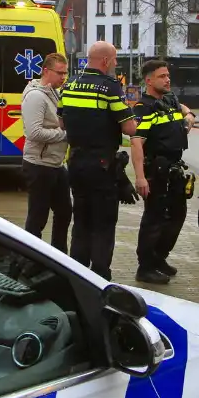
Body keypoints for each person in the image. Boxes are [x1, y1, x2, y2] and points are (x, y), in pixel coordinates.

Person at [61, 41, 138, 281]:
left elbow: (62, 122)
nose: (115, 64)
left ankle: (78, 273)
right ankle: (100, 276)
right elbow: (129, 128)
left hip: (75, 162)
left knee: (81, 219)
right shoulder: (110, 87)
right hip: (102, 165)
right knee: (103, 222)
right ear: (105, 61)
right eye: (114, 60)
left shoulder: (70, 84)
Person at [130, 59, 195, 284]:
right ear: (149, 80)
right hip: (156, 170)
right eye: (162, 76)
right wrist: (140, 177)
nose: (167, 79)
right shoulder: (143, 108)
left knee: (178, 215)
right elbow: (136, 143)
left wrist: (190, 115)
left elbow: (184, 109)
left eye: (168, 75)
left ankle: (159, 257)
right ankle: (145, 267)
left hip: (175, 169)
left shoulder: (169, 100)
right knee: (154, 219)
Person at [21, 52, 72, 252]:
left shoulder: (54, 93)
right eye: (59, 73)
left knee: (65, 212)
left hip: (56, 164)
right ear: (46, 71)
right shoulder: (35, 96)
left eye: (65, 73)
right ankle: (30, 257)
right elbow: (33, 132)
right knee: (37, 217)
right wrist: (64, 135)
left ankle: (58, 255)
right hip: (38, 164)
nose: (63, 77)